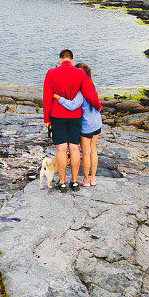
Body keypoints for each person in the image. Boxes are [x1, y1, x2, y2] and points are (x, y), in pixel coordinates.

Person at [43, 49, 101, 191]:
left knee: (61, 149)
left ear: (60, 59)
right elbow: (89, 93)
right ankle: (74, 182)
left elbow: (46, 97)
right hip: (75, 116)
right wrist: (98, 106)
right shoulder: (80, 73)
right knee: (74, 148)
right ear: (72, 60)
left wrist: (47, 118)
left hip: (57, 116)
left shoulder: (51, 72)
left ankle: (62, 183)